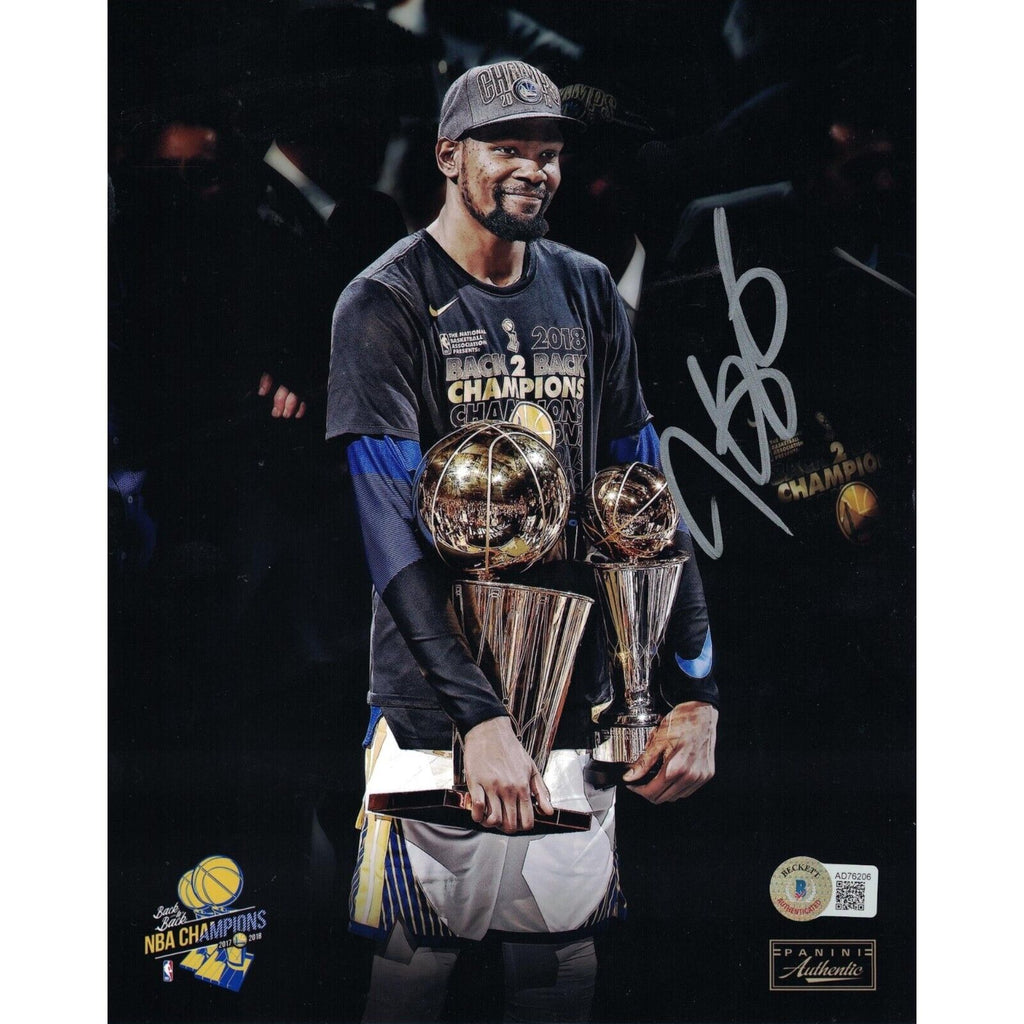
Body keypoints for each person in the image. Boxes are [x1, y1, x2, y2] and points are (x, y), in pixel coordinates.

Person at [326, 60, 719, 1023]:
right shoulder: (384, 302)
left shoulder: (586, 289)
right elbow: (390, 539)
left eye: (548, 152)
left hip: (579, 696)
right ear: (448, 156)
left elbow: (645, 497)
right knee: (413, 968)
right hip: (437, 715)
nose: (534, 169)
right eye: (507, 147)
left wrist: (698, 694)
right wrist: (478, 721)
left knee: (561, 963)